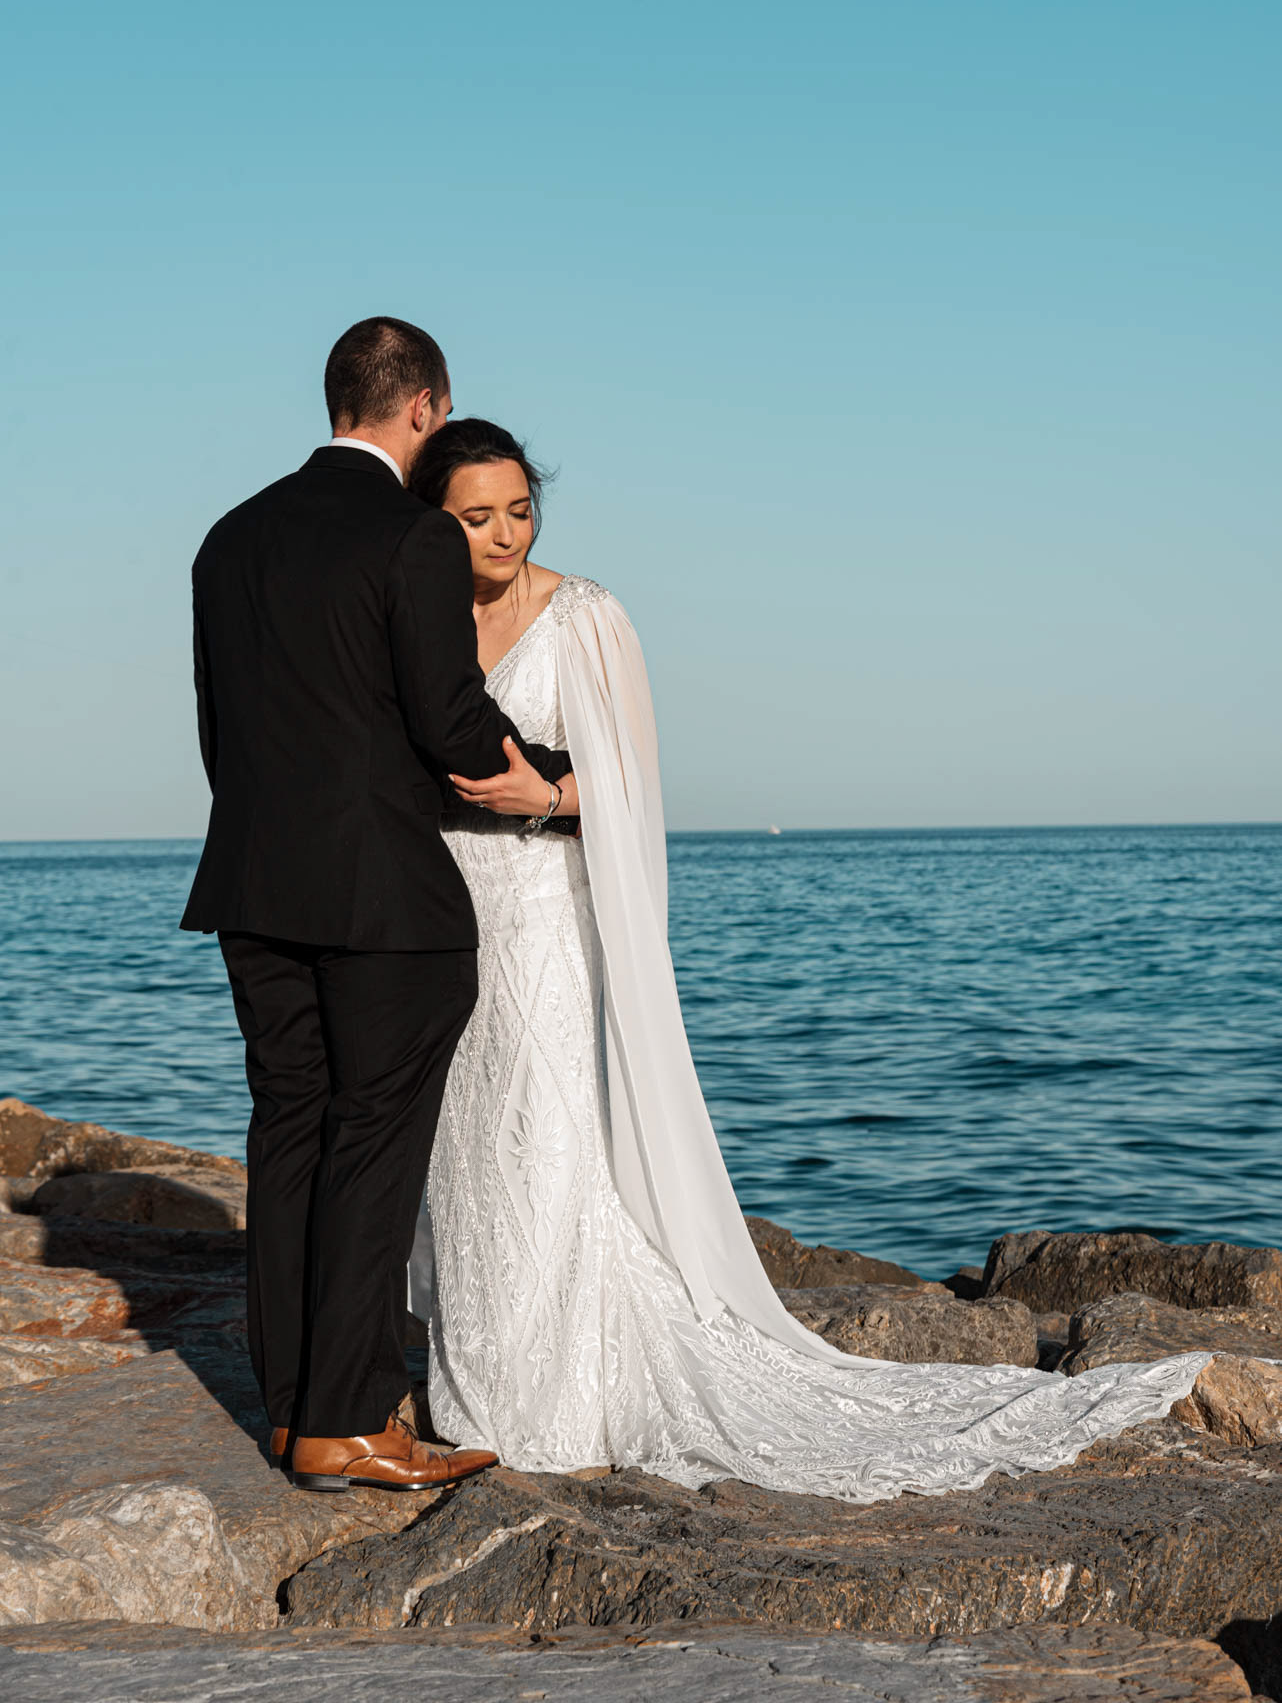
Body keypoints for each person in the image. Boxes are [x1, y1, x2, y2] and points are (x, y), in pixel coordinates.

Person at [408, 418, 1210, 1502]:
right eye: (475, 517)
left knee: (548, 1147)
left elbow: (637, 788)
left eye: (519, 509)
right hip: (445, 920)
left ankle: (560, 1402)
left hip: (550, 918)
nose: (504, 534)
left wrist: (542, 798)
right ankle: (477, 1395)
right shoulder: (418, 619)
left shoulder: (587, 618)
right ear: (432, 521)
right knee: (466, 1156)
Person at [182, 320, 572, 1494]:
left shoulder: (226, 539)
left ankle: (295, 1412)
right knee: (370, 1149)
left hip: (253, 883)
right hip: (387, 903)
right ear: (427, 409)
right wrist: (564, 776)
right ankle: (352, 1419)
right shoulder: (411, 541)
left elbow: (225, 737)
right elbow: (451, 727)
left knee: (288, 1136)